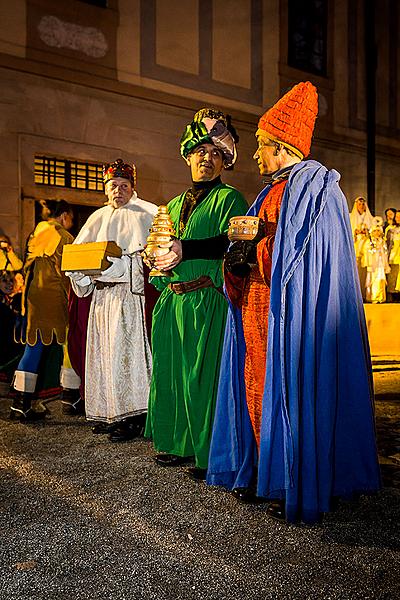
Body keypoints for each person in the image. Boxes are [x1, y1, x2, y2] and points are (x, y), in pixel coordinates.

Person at [206, 81, 381, 524]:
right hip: (258, 315)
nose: (254, 155)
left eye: (262, 145)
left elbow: (301, 258)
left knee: (290, 397)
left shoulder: (316, 191)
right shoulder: (269, 191)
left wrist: (256, 250)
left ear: (281, 147)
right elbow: (265, 244)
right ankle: (267, 472)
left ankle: (291, 479)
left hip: (292, 318)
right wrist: (236, 258)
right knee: (257, 395)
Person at [145, 108, 248, 480]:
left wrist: (184, 249)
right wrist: (155, 258)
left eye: (215, 153)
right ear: (188, 157)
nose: (207, 158)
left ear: (224, 161)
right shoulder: (171, 205)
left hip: (206, 301)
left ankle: (208, 454)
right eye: (200, 152)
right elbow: (162, 245)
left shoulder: (231, 198)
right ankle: (176, 444)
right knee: (171, 376)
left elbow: (230, 242)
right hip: (172, 301)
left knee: (202, 379)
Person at [67, 158, 157, 442]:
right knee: (105, 356)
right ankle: (110, 412)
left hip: (129, 299)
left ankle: (135, 416)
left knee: (127, 358)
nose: (118, 191)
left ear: (133, 187)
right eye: (112, 186)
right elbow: (79, 255)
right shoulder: (97, 218)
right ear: (105, 189)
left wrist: (118, 267)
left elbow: (150, 262)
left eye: (124, 185)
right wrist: (79, 272)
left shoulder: (148, 213)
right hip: (102, 300)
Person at [10, 200, 74, 422]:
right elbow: (68, 272)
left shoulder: (36, 233)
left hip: (33, 297)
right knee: (69, 343)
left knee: (34, 345)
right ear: (64, 215)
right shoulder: (64, 237)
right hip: (55, 297)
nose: (70, 223)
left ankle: (20, 403)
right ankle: (71, 398)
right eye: (70, 219)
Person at [349, 197, 374, 300]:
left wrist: (367, 232)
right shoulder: (351, 217)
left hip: (367, 247)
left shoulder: (370, 218)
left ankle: (367, 294)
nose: (361, 206)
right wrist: (354, 233)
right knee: (355, 270)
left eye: (363, 204)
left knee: (366, 270)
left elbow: (375, 231)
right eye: (359, 204)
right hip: (355, 246)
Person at [363, 217, 390, 303]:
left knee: (380, 278)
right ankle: (372, 297)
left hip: (380, 263)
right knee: (372, 279)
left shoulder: (382, 241)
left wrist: (381, 250)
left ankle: (380, 297)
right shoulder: (369, 242)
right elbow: (366, 252)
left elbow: (385, 252)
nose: (377, 233)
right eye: (375, 231)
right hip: (372, 264)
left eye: (378, 231)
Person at [386, 209, 400, 302]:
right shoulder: (390, 229)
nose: (398, 218)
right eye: (397, 216)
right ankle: (392, 296)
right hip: (393, 255)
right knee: (392, 276)